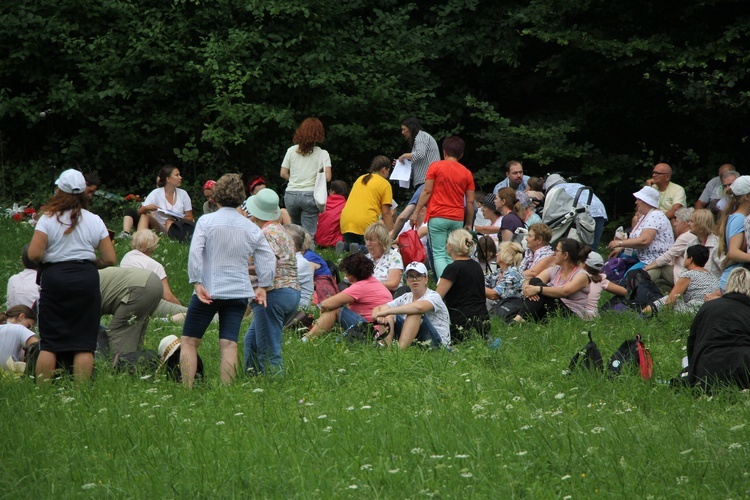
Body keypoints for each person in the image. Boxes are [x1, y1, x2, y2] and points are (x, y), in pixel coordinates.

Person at [180, 174, 276, 388]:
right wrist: (263, 287)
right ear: (241, 198)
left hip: (209, 291)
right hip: (239, 291)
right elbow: (267, 257)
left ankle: (186, 389)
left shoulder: (206, 221)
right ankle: (227, 392)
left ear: (216, 197)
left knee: (189, 341)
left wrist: (196, 281)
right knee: (229, 343)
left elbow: (195, 252)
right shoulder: (250, 227)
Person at [27, 168, 117, 382]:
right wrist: (89, 262)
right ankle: (81, 394)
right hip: (86, 278)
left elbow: (34, 254)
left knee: (50, 342)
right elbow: (110, 259)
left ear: (59, 190)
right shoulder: (94, 220)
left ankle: (42, 391)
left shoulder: (48, 219)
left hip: (55, 278)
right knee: (84, 342)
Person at [243, 188, 301, 376]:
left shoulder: (265, 233)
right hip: (291, 292)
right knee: (251, 341)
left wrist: (241, 268)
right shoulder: (282, 231)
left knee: (268, 350)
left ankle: (274, 385)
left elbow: (270, 264)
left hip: (272, 294)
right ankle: (252, 378)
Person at [412, 136, 475, 278]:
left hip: (437, 216)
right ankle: (456, 284)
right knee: (452, 253)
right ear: (461, 154)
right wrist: (469, 223)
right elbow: (470, 202)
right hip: (457, 218)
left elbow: (427, 191)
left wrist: (416, 212)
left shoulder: (435, 166)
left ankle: (444, 287)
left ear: (444, 151)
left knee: (439, 253)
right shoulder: (467, 173)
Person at [303, 253, 392, 342]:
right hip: (385, 330)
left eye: (346, 274)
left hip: (370, 331)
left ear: (352, 275)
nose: (346, 277)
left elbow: (325, 305)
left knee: (335, 309)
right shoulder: (376, 283)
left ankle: (307, 339)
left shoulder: (360, 286)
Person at [686, 267, 750, 391]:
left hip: (705, 371)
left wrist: (693, 372)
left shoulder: (708, 307)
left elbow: (692, 343)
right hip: (743, 370)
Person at [372, 262, 451, 348]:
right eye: (411, 276)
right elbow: (379, 308)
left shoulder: (434, 296)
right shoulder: (406, 296)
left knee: (414, 313)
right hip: (416, 341)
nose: (414, 279)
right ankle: (386, 349)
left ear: (426, 279)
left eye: (419, 276)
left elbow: (419, 307)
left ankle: (400, 352)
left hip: (438, 343)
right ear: (407, 280)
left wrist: (385, 312)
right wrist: (378, 315)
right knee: (387, 315)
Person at [120, 229, 188, 321]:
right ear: (153, 245)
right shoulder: (155, 265)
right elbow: (167, 296)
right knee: (193, 315)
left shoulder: (126, 257)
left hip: (125, 303)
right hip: (147, 303)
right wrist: (179, 307)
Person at [516, 238, 591, 322]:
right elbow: (532, 281)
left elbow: (565, 291)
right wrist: (528, 287)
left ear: (565, 255)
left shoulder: (582, 275)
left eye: (557, 251)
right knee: (535, 282)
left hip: (571, 315)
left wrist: (538, 289)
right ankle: (520, 319)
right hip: (553, 310)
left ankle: (518, 320)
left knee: (540, 289)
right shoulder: (555, 270)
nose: (553, 254)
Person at [280, 117, 332, 238]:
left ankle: (294, 255)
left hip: (291, 196)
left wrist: (294, 178)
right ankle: (308, 256)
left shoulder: (291, 151)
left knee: (295, 232)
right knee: (308, 235)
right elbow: (328, 177)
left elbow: (283, 173)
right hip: (310, 196)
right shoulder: (322, 154)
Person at [391, 116, 441, 238]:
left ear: (411, 128)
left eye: (404, 129)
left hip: (426, 182)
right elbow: (418, 163)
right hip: (424, 181)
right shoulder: (419, 140)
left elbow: (419, 154)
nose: (402, 132)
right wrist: (402, 165)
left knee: (404, 214)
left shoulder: (421, 136)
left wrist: (403, 156)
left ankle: (391, 239)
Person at [437, 229, 489, 342]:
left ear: (450, 246)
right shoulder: (476, 266)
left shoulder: (453, 268)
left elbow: (436, 298)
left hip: (461, 323)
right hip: (483, 321)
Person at [97, 267, 163, 357]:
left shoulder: (76, 289)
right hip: (151, 281)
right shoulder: (85, 277)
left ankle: (121, 367)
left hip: (138, 288)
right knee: (134, 336)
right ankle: (141, 364)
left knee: (119, 335)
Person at [607, 186, 674, 268]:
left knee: (629, 277)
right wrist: (621, 248)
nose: (636, 202)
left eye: (639, 200)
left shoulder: (655, 215)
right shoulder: (645, 216)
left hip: (653, 259)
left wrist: (620, 243)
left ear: (646, 202)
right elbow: (637, 240)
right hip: (641, 255)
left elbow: (644, 241)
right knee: (621, 257)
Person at [643, 245, 719, 315]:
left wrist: (664, 315)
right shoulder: (712, 276)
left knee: (667, 299)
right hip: (710, 311)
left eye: (686, 257)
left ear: (690, 259)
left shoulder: (688, 275)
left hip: (695, 311)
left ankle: (642, 314)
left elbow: (671, 300)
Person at [543, 174, 608, 249]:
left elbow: (555, 211)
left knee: (575, 248)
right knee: (591, 247)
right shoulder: (576, 185)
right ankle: (593, 258)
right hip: (599, 211)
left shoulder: (556, 190)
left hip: (582, 214)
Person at [340, 156, 393, 244]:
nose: (388, 174)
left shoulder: (360, 179)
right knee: (376, 250)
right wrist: (392, 234)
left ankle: (346, 247)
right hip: (366, 224)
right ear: (384, 169)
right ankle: (360, 248)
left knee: (353, 255)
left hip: (346, 222)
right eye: (388, 170)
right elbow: (386, 213)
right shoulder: (385, 184)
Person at [643, 207, 695, 288]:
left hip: (684, 275)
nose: (674, 224)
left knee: (660, 267)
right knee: (660, 279)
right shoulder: (692, 235)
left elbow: (668, 256)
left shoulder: (686, 236)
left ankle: (639, 284)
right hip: (689, 274)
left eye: (677, 221)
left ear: (685, 224)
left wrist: (648, 267)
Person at [714, 175, 750, 292]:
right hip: (735, 283)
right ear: (747, 196)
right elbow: (734, 252)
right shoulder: (739, 218)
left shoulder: (739, 217)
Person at [138, 165, 194, 234]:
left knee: (169, 221)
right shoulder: (156, 193)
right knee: (144, 216)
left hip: (177, 225)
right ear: (168, 179)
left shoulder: (183, 194)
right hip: (160, 225)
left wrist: (177, 218)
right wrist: (147, 208)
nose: (180, 177)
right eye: (177, 175)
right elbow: (140, 212)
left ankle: (173, 236)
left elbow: (190, 218)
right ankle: (140, 239)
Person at [580, 251, 626, 318]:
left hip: (578, 312)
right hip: (593, 315)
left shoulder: (578, 277)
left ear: (583, 265)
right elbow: (624, 291)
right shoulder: (601, 279)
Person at [363, 222, 404, 292]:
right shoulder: (365, 258)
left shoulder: (393, 256)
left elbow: (393, 285)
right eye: (367, 240)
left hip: (388, 293)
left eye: (371, 240)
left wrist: (369, 285)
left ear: (381, 241)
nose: (368, 244)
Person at [485, 241, 525, 313]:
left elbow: (494, 295)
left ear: (506, 254)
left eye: (499, 252)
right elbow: (484, 282)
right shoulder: (498, 272)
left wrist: (474, 286)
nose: (496, 254)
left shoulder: (514, 274)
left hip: (505, 312)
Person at [283, 224, 314, 309]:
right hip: (286, 304)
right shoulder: (286, 259)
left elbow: (279, 285)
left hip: (298, 310)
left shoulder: (300, 263)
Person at [685, 208, 722, 278]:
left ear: (701, 224)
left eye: (691, 221)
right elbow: (685, 269)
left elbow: (725, 270)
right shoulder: (691, 243)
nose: (688, 224)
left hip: (715, 286)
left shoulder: (717, 244)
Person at [0, 305, 38, 372]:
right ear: (21, 317)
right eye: (29, 326)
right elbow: (38, 346)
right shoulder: (18, 328)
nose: (29, 330)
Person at [315, 180, 348, 248]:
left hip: (318, 241)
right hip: (335, 242)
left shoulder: (322, 203)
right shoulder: (346, 206)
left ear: (332, 192)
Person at [6, 244, 39, 309]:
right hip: (38, 317)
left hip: (17, 317)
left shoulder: (13, 280)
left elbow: (10, 307)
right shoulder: (44, 280)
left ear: (23, 262)